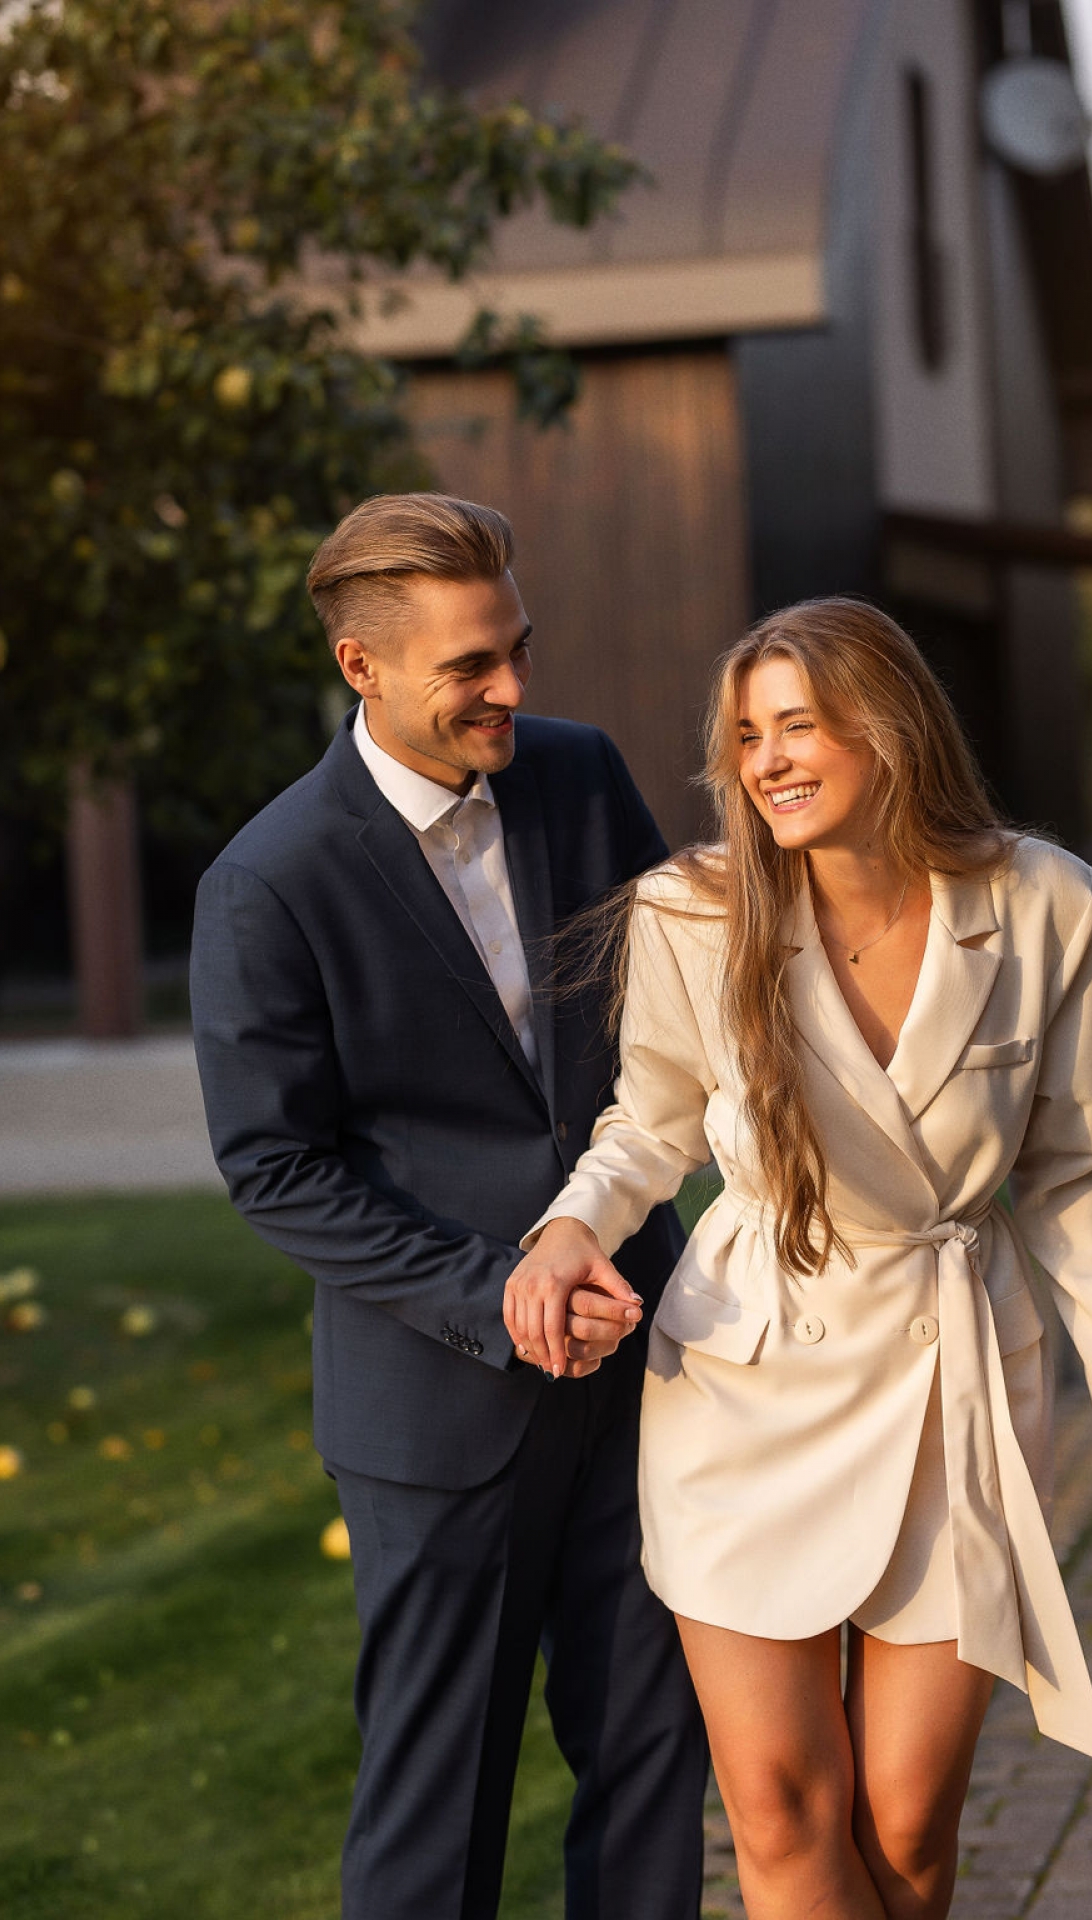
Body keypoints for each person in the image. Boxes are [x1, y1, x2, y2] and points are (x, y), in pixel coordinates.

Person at [506, 596, 1092, 1920]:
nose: (763, 761)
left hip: (957, 1396)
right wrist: (566, 1230)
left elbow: (1072, 1161)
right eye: (747, 736)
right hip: (746, 1398)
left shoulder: (1044, 901)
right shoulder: (693, 913)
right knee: (776, 1812)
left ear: (889, 732)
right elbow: (644, 1127)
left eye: (798, 727)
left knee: (907, 1825)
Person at [189, 492, 707, 1920]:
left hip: (645, 1376)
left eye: (517, 648)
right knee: (437, 1816)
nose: (513, 690)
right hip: (435, 1415)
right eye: (471, 666)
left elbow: (690, 1023)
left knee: (658, 1765)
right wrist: (503, 1292)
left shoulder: (584, 779)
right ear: (361, 666)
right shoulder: (268, 882)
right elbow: (275, 1169)